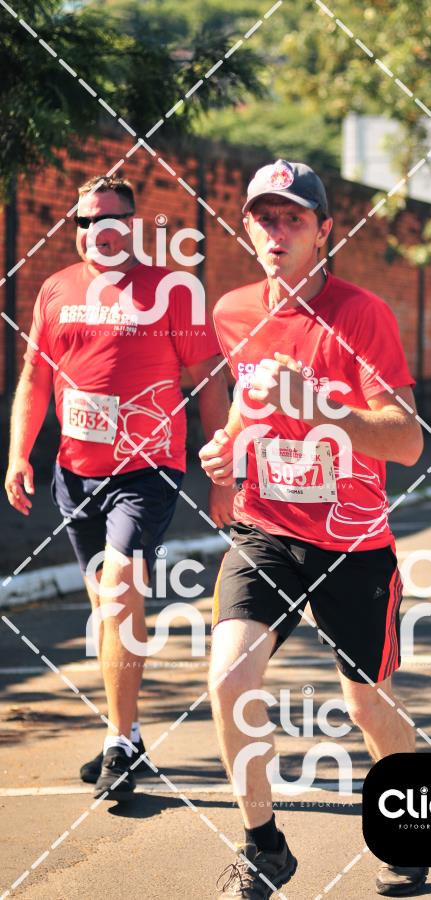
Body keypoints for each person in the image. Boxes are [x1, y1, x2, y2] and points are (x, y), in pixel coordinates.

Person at [200, 159, 427, 898]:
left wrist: (322, 408)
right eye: (264, 218)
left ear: (324, 230)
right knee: (229, 677)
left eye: (293, 218)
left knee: (368, 705)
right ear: (247, 228)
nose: (277, 231)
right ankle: (264, 846)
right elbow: (249, 404)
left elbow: (407, 440)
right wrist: (228, 451)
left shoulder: (362, 316)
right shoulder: (233, 311)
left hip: (352, 544)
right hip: (266, 532)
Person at [5, 175, 233, 802]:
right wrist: (19, 454)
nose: (96, 230)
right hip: (75, 473)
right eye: (85, 220)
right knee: (107, 610)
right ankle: (127, 736)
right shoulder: (56, 290)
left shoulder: (172, 291)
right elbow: (35, 378)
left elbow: (209, 380)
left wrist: (222, 473)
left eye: (109, 218)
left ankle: (118, 742)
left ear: (132, 225)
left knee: (119, 587)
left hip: (147, 469)